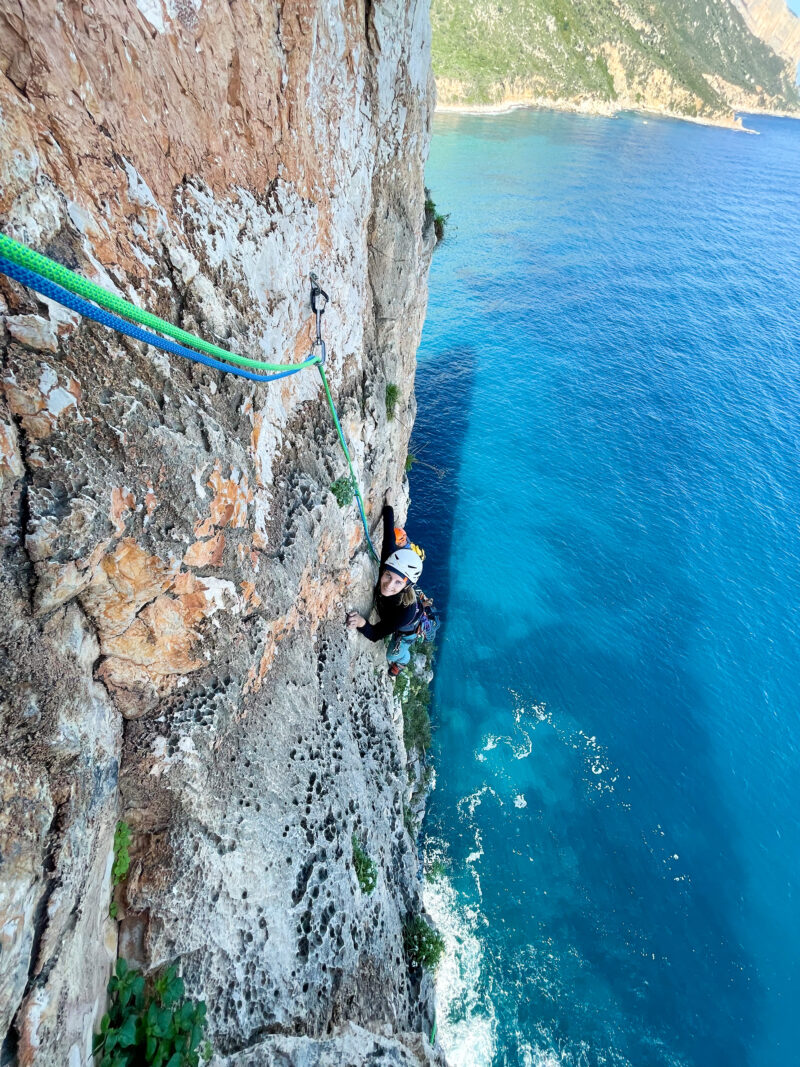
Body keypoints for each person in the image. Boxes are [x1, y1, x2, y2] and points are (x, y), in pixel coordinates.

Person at [346, 488, 423, 675]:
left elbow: (375, 634)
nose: (389, 584)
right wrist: (388, 504)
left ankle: (403, 661)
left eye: (398, 582)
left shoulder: (405, 612)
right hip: (392, 616)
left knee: (392, 653)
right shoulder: (390, 562)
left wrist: (361, 622)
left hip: (406, 629)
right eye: (388, 576)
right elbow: (389, 534)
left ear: (406, 586)